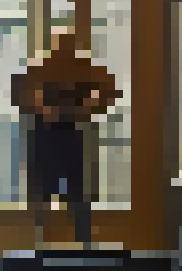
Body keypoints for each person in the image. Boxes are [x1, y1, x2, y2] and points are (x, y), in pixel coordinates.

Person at [14, 30, 119, 247]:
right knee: (43, 190)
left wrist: (88, 107)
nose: (64, 50)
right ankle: (38, 242)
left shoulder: (84, 67)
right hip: (45, 132)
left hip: (75, 132)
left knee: (79, 192)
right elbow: (21, 93)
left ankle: (83, 241)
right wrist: (41, 106)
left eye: (68, 45)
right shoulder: (41, 67)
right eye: (61, 45)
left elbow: (110, 90)